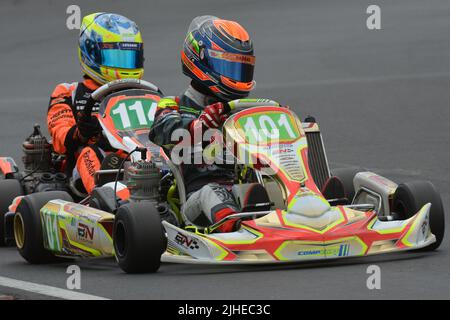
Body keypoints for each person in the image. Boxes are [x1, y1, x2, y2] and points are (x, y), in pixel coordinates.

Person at [149, 16, 256, 232]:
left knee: (265, 185)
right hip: (195, 199)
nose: (236, 76)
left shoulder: (243, 111)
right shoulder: (173, 105)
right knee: (212, 192)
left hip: (240, 189)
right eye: (229, 66)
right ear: (201, 61)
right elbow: (164, 132)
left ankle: (315, 207)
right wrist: (200, 125)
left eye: (241, 69)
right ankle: (235, 228)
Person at [47, 12, 145, 194]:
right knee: (91, 152)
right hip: (88, 167)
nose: (124, 65)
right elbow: (60, 138)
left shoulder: (143, 94)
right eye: (115, 56)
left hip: (139, 161)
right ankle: (110, 197)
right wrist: (79, 133)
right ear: (89, 52)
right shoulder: (69, 93)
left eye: (129, 57)